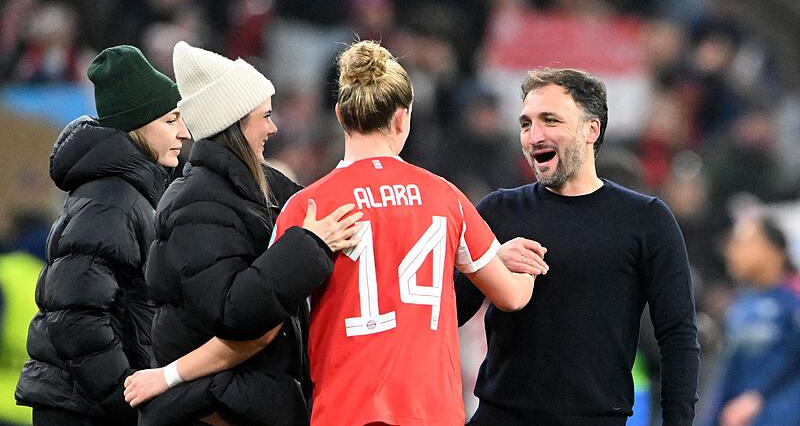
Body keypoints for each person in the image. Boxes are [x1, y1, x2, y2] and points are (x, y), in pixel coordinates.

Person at [125, 40, 541, 426]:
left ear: (340, 115)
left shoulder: (309, 208)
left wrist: (169, 375)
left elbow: (258, 334)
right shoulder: (445, 198)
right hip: (434, 413)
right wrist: (520, 262)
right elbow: (512, 296)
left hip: (344, 412)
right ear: (403, 116)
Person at [125, 41, 361, 426]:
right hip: (211, 411)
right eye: (264, 116)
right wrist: (310, 245)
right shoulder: (196, 203)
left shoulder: (262, 186)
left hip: (246, 404)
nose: (273, 126)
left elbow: (325, 209)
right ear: (233, 122)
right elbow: (235, 311)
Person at [456, 68, 700, 426]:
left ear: (592, 130)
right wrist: (485, 263)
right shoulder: (498, 211)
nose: (534, 135)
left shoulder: (647, 219)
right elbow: (448, 313)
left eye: (550, 120)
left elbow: (678, 335)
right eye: (526, 124)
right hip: (500, 416)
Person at [14, 45, 189, 425]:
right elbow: (75, 311)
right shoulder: (113, 199)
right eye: (171, 121)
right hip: (83, 409)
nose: (184, 132)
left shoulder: (124, 192)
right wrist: (124, 393)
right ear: (139, 126)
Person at [706, 214, 800, 426]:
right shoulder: (741, 306)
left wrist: (757, 398)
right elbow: (730, 372)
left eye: (744, 242)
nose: (732, 251)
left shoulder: (793, 300)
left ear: (774, 250)